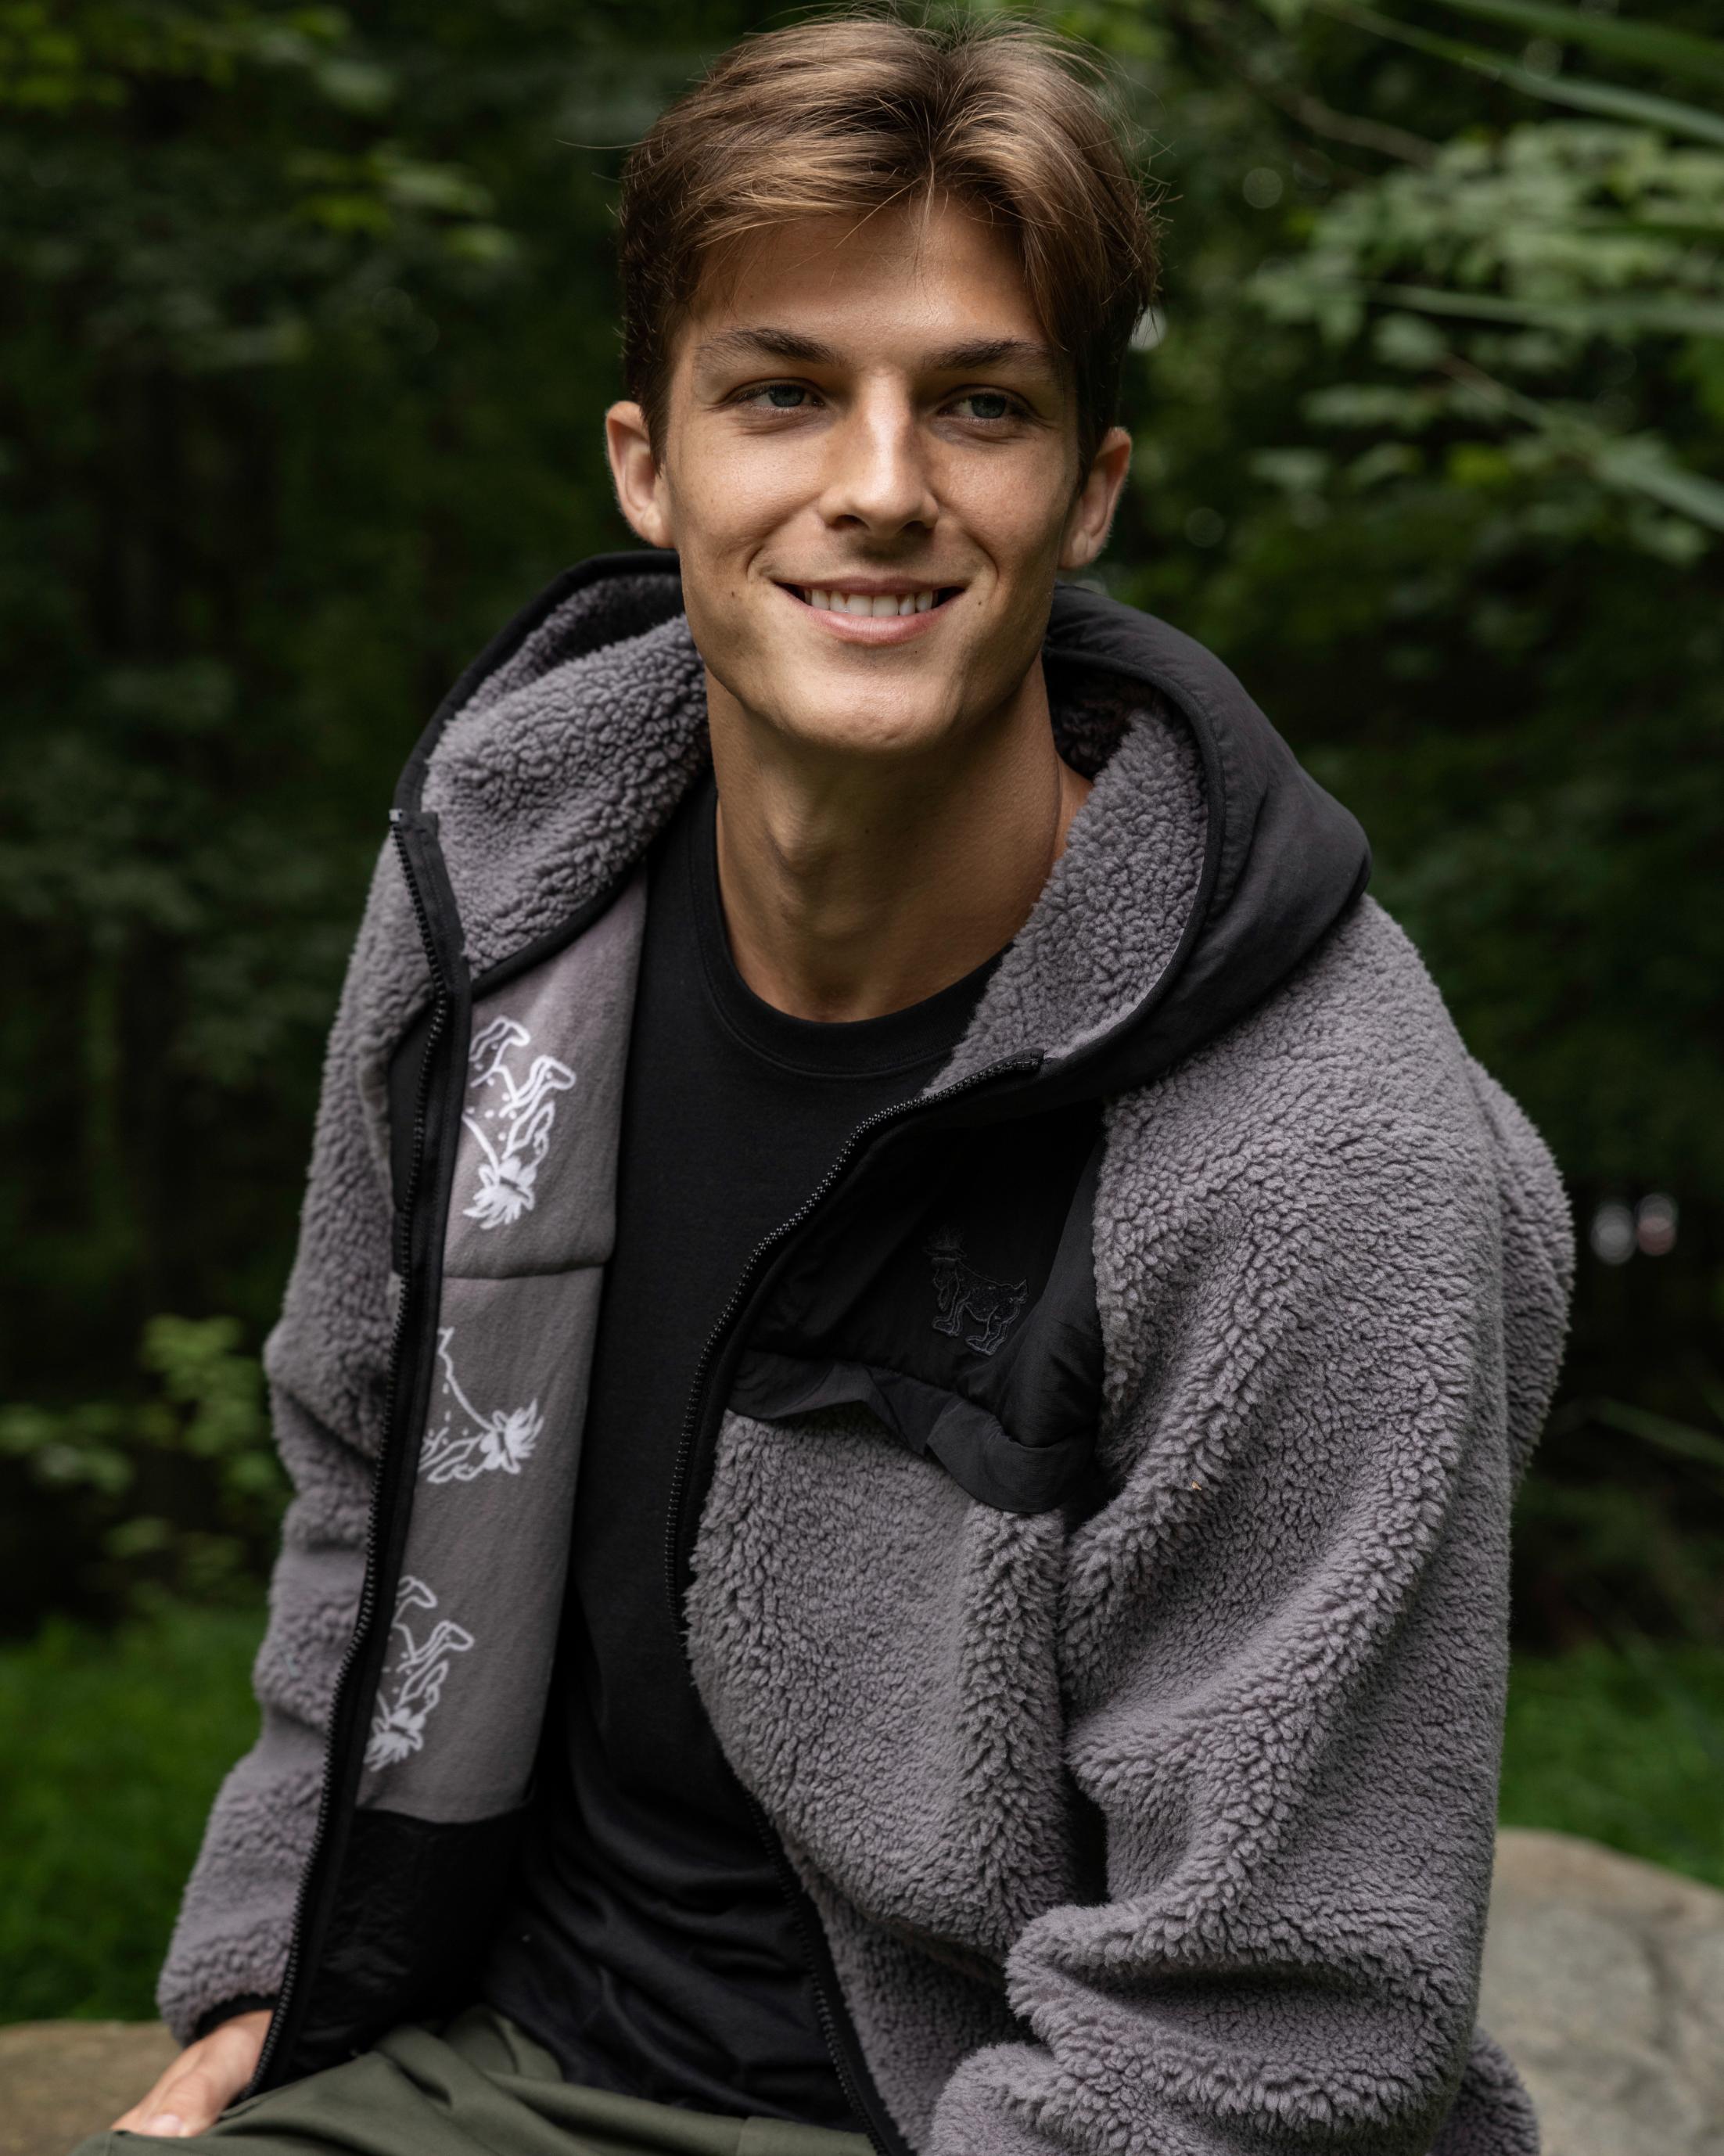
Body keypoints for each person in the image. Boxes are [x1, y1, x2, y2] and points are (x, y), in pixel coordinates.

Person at [99, 13, 1571, 2156]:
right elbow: (363, 1485)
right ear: (646, 462)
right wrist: (266, 1973)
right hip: (492, 2056)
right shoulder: (500, 911)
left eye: (974, 405)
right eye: (781, 392)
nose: (876, 485)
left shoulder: (1317, 1145)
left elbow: (1268, 2039)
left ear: (1088, 490)